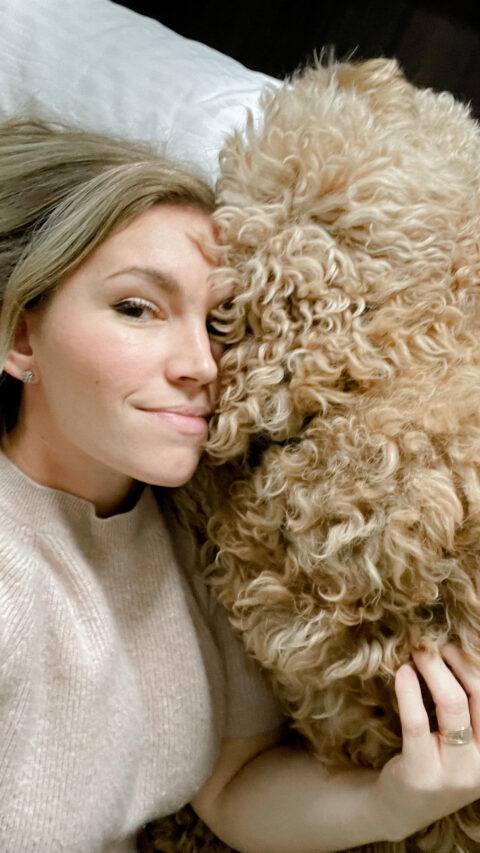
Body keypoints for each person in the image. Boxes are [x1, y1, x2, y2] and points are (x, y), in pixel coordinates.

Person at [1, 119, 480, 853]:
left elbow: (231, 784)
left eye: (218, 321)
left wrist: (391, 801)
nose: (200, 361)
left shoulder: (199, 541)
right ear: (21, 338)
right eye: (138, 307)